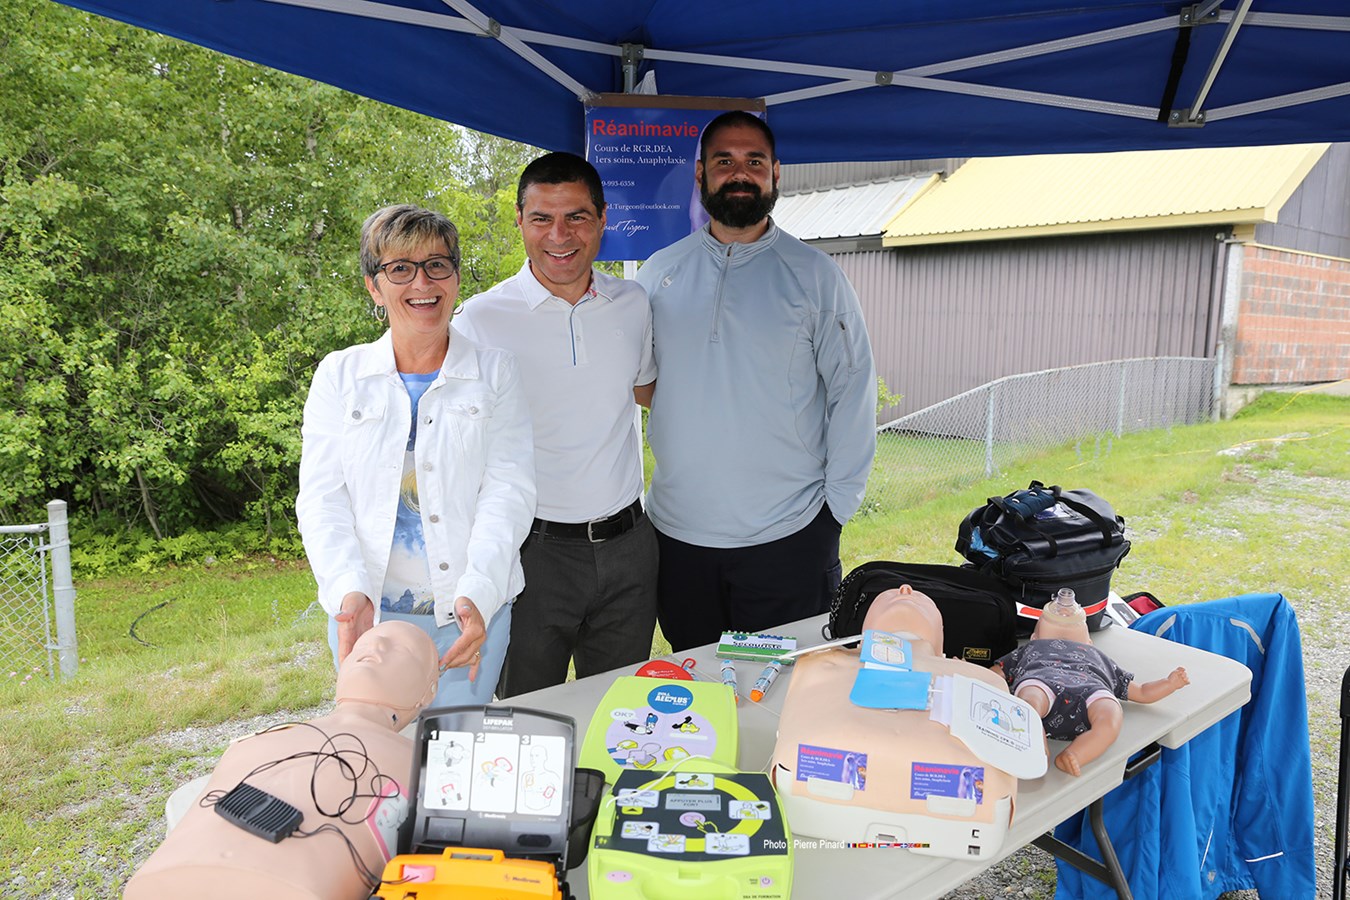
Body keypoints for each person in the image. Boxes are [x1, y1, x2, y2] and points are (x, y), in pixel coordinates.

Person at [636, 111, 877, 651]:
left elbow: (853, 390)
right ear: (700, 173)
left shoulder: (815, 276)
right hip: (678, 538)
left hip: (788, 537)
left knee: (783, 695)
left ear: (775, 175)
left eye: (754, 162)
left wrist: (834, 511)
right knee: (698, 696)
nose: (739, 173)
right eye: (724, 161)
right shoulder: (658, 273)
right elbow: (641, 383)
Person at [296, 204, 536, 705]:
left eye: (436, 265)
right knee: (374, 762)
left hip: (468, 615)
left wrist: (480, 594)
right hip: (368, 619)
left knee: (454, 758)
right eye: (400, 268)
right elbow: (322, 499)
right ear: (373, 286)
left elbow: (508, 493)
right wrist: (347, 592)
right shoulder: (340, 376)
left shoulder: (496, 373)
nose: (421, 283)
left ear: (455, 277)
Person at [454, 152, 658, 696]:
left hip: (629, 545)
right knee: (525, 720)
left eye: (577, 217)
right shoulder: (478, 319)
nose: (559, 235)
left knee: (619, 714)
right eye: (542, 218)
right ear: (519, 221)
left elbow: (646, 394)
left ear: (603, 219)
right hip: (530, 554)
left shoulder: (633, 303)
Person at [124, 621, 441, 899]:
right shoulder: (261, 738)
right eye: (364, 643)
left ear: (429, 691)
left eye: (402, 649)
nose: (376, 645)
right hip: (167, 880)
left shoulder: (425, 764)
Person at [993, 591, 1190, 776]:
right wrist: (966, 671)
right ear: (1034, 637)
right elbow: (994, 675)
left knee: (1110, 715)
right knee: (1029, 703)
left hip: (1093, 693)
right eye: (1053, 622)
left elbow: (1141, 692)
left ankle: (1076, 755)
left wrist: (1169, 683)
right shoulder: (1030, 649)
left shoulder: (1098, 657)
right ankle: (1036, 745)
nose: (1064, 621)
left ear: (1089, 642)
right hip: (1042, 683)